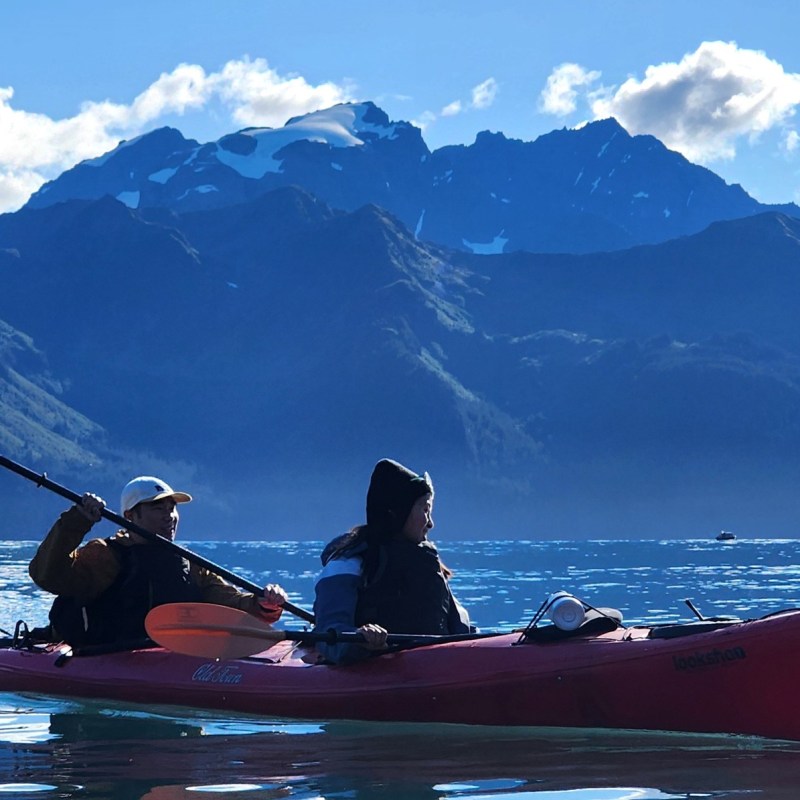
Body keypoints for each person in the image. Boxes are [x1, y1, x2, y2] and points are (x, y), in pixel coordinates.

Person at [29, 475, 288, 647]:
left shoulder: (189, 562)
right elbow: (48, 575)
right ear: (131, 516)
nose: (170, 517)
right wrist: (78, 520)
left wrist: (263, 603)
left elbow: (230, 602)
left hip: (169, 657)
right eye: (157, 509)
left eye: (171, 509)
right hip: (108, 655)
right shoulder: (105, 555)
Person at [312, 458, 472, 664]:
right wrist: (358, 639)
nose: (431, 523)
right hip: (371, 671)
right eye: (425, 510)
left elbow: (462, 629)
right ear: (398, 512)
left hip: (430, 668)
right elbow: (329, 631)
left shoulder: (426, 561)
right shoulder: (348, 563)